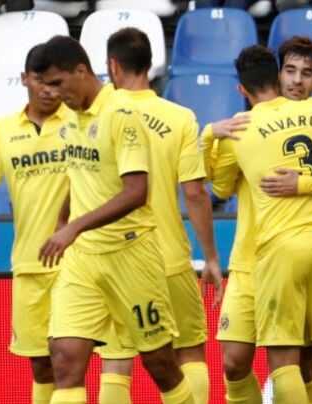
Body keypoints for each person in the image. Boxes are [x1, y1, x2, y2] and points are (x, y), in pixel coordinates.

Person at [34, 35, 194, 404]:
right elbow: (83, 173)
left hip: (131, 254)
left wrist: (73, 227)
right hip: (84, 259)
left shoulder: (121, 114)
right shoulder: (71, 115)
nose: (55, 94)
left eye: (58, 83)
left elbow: (137, 191)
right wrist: (63, 219)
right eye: (47, 86)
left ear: (81, 70)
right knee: (65, 361)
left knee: (160, 364)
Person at [211, 44, 312, 403]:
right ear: (276, 75)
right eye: (290, 71)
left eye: (306, 73)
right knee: (234, 363)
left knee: (301, 360)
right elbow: (220, 183)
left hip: (282, 249)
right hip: (251, 260)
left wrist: (300, 184)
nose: (296, 80)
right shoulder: (241, 128)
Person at [86, 28, 224, 404]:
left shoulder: (97, 116)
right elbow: (195, 193)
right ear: (151, 64)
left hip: (113, 257)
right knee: (190, 352)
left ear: (112, 65)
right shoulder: (179, 117)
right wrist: (210, 256)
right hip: (169, 257)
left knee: (116, 362)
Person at [0, 43, 73, 404]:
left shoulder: (78, 124)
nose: (47, 90)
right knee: (41, 365)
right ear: (24, 79)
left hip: (76, 264)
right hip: (29, 263)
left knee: (67, 361)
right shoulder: (1, 130)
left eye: (55, 83)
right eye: (39, 81)